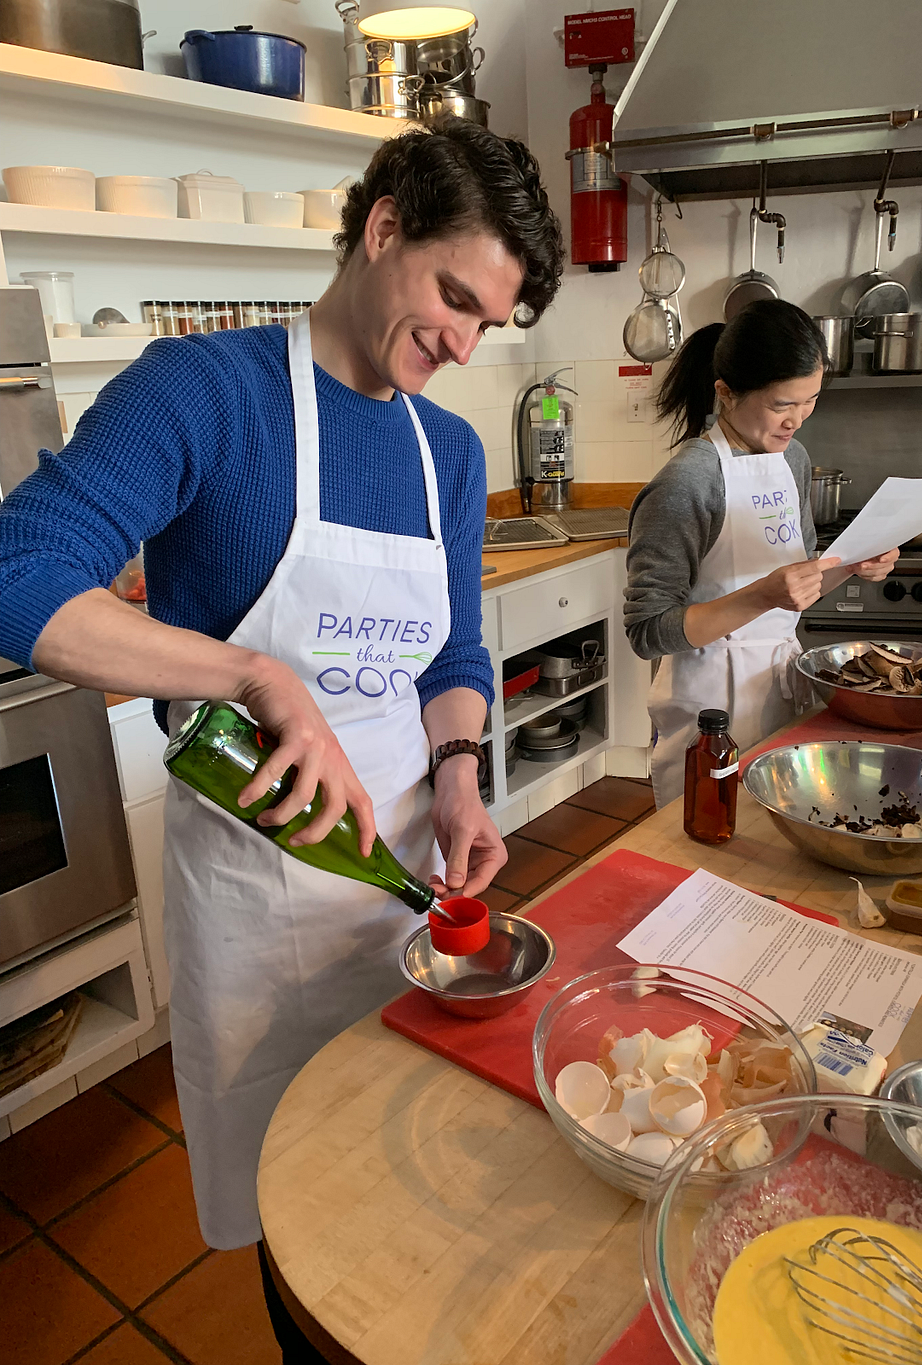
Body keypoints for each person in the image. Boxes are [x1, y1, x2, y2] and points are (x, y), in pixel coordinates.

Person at [0, 119, 563, 1357]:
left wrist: (463, 778)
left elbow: (455, 656)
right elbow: (19, 572)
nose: (463, 345)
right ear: (380, 229)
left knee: (428, 1180)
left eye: (489, 326)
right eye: (452, 299)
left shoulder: (447, 451)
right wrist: (253, 675)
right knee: (303, 1225)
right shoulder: (204, 393)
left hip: (413, 885)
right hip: (265, 906)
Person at [624, 299, 898, 808]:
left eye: (810, 400)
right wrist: (762, 595)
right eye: (781, 404)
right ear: (725, 394)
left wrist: (853, 564)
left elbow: (799, 586)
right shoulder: (686, 484)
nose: (797, 420)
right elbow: (647, 631)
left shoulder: (790, 459)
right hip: (707, 705)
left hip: (779, 686)